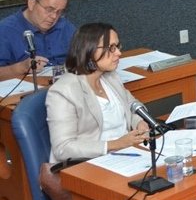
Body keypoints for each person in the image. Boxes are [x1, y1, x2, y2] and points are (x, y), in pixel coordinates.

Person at [46, 22, 150, 163]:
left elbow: (132, 105)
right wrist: (116, 144)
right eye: (111, 48)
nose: (118, 53)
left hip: (127, 154)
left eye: (117, 46)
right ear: (89, 50)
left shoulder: (111, 77)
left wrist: (140, 122)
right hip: (87, 164)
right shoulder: (63, 91)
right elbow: (63, 148)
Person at [0, 0, 76, 80]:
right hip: (27, 87)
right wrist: (21, 68)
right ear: (32, 4)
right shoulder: (5, 30)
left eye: (59, 12)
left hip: (65, 83)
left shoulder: (64, 25)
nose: (54, 16)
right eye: (49, 9)